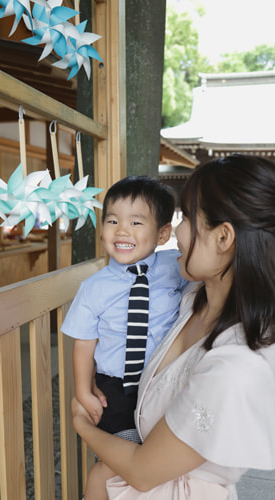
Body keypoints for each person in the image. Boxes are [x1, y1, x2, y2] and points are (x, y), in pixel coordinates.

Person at [72, 154, 275, 500]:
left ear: (224, 238)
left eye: (187, 218)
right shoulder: (192, 299)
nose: (175, 230)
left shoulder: (238, 366)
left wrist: (81, 425)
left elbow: (144, 473)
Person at [61, 176, 188, 498]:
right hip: (114, 387)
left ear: (162, 233)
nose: (121, 231)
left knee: (156, 454)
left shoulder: (176, 267)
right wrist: (83, 392)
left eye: (136, 222)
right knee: (121, 457)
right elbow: (84, 343)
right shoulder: (93, 287)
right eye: (113, 221)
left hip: (161, 382)